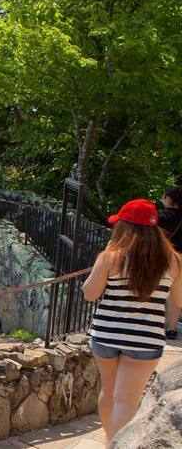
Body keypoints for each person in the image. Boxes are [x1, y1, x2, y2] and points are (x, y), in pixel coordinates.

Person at [83, 198, 182, 445]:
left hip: (106, 335)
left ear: (124, 227)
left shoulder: (110, 257)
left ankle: (110, 441)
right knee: (126, 400)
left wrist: (103, 261)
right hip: (145, 339)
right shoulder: (174, 260)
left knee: (109, 391)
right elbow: (179, 299)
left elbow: (90, 294)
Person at [159, 187, 182, 339]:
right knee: (176, 293)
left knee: (156, 289)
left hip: (163, 256)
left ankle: (155, 324)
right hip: (180, 258)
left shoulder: (160, 216)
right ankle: (172, 328)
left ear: (168, 199)